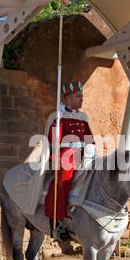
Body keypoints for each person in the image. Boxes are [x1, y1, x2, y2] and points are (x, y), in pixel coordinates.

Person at [45, 81, 94, 241]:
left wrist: (91, 150)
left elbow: (89, 138)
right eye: (78, 96)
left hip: (83, 153)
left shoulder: (83, 117)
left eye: (82, 96)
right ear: (68, 98)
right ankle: (57, 220)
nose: (82, 99)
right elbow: (52, 140)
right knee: (64, 178)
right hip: (65, 153)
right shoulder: (58, 116)